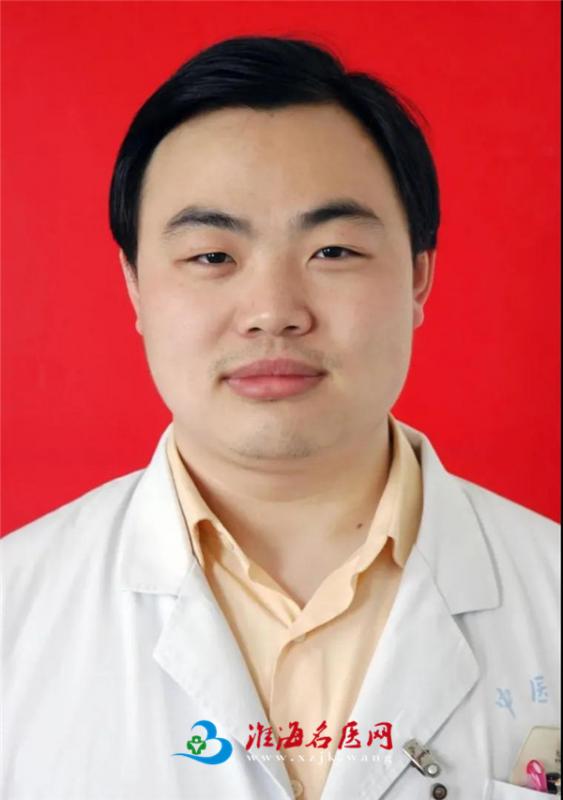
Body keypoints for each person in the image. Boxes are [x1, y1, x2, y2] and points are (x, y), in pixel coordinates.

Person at [1, 35, 559, 800]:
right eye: (211, 257)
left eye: (331, 251)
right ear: (134, 286)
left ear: (417, 277)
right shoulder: (15, 609)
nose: (272, 311)